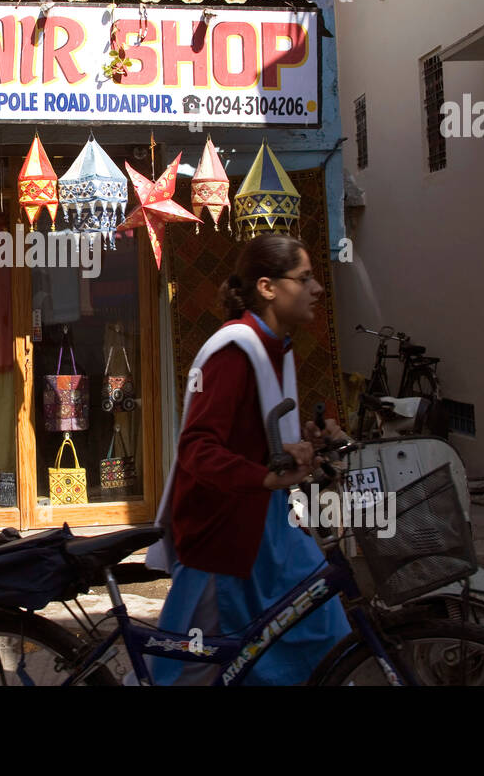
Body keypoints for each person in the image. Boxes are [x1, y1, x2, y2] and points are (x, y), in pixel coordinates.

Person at [145, 233, 352, 685]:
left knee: (325, 635)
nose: (317, 288)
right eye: (305, 278)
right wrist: (263, 478)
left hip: (271, 531)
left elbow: (262, 434)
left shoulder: (277, 348)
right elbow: (198, 450)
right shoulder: (234, 352)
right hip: (227, 538)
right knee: (188, 672)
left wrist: (310, 442)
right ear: (267, 287)